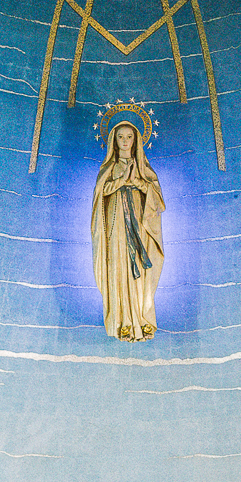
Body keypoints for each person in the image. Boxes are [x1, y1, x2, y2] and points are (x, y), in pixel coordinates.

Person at [91, 117, 165, 341]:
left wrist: (140, 184)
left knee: (140, 270)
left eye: (129, 137)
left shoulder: (143, 168)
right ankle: (122, 321)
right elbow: (99, 196)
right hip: (116, 228)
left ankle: (142, 320)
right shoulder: (109, 168)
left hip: (139, 227)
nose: (125, 141)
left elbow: (158, 201)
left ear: (136, 141)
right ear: (114, 140)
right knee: (119, 268)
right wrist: (121, 181)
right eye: (121, 137)